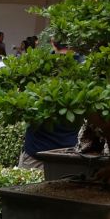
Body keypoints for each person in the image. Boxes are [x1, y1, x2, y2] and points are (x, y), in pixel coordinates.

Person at [18, 39, 79, 170]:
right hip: (70, 152)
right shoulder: (86, 67)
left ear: (52, 42)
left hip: (36, 152)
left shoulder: (36, 66)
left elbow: (22, 103)